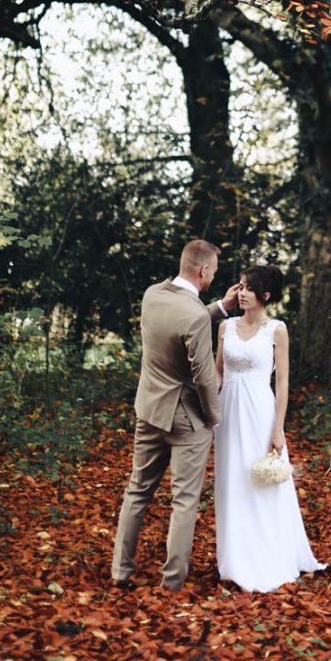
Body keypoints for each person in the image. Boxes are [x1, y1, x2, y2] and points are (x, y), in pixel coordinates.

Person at [111, 239, 238, 590]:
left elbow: (181, 323)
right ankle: (172, 581)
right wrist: (214, 416)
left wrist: (220, 308)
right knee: (184, 500)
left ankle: (121, 571)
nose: (212, 277)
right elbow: (202, 374)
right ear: (204, 271)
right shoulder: (195, 315)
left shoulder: (153, 294)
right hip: (186, 419)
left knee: (137, 491)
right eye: (212, 272)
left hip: (149, 410)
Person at [214, 264, 325, 592]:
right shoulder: (225, 327)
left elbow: (283, 381)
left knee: (261, 484)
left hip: (260, 413)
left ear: (264, 295)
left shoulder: (276, 329)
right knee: (232, 482)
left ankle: (267, 556)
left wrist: (278, 429)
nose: (241, 293)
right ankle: (234, 560)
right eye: (240, 286)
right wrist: (206, 407)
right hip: (229, 414)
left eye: (248, 288)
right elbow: (218, 373)